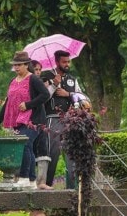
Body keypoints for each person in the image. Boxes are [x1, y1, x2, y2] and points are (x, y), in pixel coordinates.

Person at [0, 51, 50, 190]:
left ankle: (24, 177)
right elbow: (8, 102)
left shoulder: (33, 79)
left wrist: (28, 104)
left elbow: (45, 95)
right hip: (18, 120)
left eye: (19, 65)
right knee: (27, 147)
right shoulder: (13, 81)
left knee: (24, 144)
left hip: (34, 119)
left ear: (27, 65)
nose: (16, 68)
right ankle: (31, 181)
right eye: (15, 65)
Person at [43, 50, 82, 189]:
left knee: (71, 155)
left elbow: (82, 98)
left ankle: (72, 189)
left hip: (69, 120)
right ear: (57, 61)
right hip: (52, 120)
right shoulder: (46, 76)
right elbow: (42, 98)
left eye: (68, 61)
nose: (67, 64)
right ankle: (46, 188)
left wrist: (68, 94)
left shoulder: (72, 79)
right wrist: (53, 84)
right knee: (52, 155)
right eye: (64, 62)